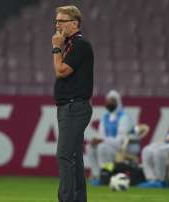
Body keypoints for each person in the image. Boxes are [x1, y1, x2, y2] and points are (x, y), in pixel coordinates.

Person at [52, 5, 93, 202]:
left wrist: (56, 48)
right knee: (74, 157)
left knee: (64, 155)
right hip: (69, 107)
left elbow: (60, 71)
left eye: (62, 21)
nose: (57, 24)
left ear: (75, 23)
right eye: (56, 20)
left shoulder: (80, 45)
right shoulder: (71, 45)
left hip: (74, 107)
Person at [86, 90, 139, 185]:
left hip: (126, 148)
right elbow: (101, 135)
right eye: (108, 101)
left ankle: (106, 175)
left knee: (102, 147)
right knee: (90, 147)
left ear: (118, 102)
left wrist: (102, 140)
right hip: (111, 146)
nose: (109, 103)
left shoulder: (124, 117)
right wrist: (96, 141)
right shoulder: (105, 117)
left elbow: (121, 141)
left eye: (112, 101)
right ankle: (97, 175)